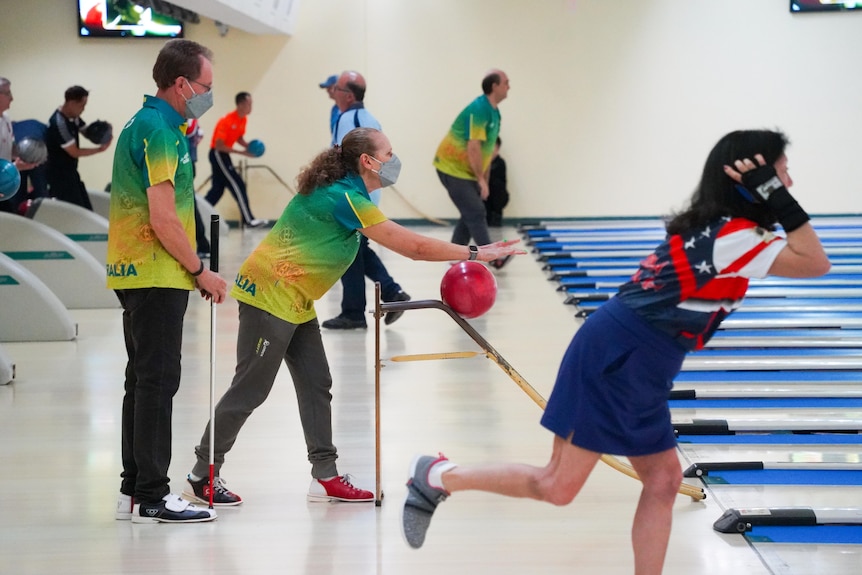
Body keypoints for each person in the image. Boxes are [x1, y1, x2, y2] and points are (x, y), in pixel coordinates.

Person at [401, 129, 831, 574]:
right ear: (756, 180)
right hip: (620, 358)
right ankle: (436, 475)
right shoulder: (734, 236)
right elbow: (817, 262)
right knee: (557, 485)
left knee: (662, 482)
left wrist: (771, 191)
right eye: (780, 176)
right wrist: (776, 197)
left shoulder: (726, 229)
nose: (788, 185)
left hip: (634, 359)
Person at [183, 127, 524, 507]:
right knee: (251, 389)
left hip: (295, 298)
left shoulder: (349, 191)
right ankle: (201, 475)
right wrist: (475, 253)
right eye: (389, 154)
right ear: (368, 161)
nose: (393, 161)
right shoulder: (344, 196)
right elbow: (413, 247)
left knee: (317, 384)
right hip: (269, 296)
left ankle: (325, 477)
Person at [107, 38, 228, 524]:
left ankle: (133, 491)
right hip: (157, 272)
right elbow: (163, 216)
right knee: (158, 382)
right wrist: (201, 270)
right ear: (182, 84)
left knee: (140, 381)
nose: (208, 96)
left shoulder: (140, 122)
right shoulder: (161, 131)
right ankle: (154, 496)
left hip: (132, 270)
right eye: (205, 87)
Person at [321, 70, 411, 330]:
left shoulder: (348, 118)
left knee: (348, 251)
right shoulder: (369, 117)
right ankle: (392, 294)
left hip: (354, 195)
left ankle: (354, 312)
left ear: (348, 95)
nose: (332, 93)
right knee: (358, 248)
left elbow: (342, 160)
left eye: (336, 89)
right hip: (368, 193)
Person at [434, 69, 511, 269]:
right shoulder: (479, 109)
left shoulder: (495, 113)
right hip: (451, 167)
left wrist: (483, 180)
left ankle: (453, 255)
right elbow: (474, 146)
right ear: (494, 86)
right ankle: (493, 256)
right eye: (505, 82)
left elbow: (486, 151)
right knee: (476, 210)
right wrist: (480, 178)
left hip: (466, 171)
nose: (508, 86)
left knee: (470, 212)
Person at [203, 91, 267, 227]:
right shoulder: (226, 120)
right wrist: (243, 153)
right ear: (241, 104)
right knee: (238, 184)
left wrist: (249, 147)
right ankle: (248, 220)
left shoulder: (243, 119)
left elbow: (238, 137)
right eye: (250, 104)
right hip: (218, 154)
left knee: (217, 189)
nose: (251, 106)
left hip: (223, 155)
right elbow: (220, 145)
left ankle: (198, 216)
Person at [45, 85, 112, 210]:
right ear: (71, 103)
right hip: (59, 176)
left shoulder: (73, 118)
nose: (83, 109)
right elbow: (74, 152)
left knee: (87, 209)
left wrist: (104, 131)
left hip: (71, 172)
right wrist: (100, 150)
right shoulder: (59, 123)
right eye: (82, 105)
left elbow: (87, 132)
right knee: (76, 211)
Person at [0, 78, 39, 215]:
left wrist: (27, 158)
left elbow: (10, 148)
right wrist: (15, 167)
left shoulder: (5, 118)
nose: (12, 98)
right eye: (8, 93)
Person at [187, 117, 211, 257]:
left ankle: (202, 244)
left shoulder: (186, 119)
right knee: (189, 205)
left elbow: (192, 131)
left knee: (189, 206)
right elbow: (199, 134)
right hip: (188, 163)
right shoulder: (190, 119)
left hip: (185, 164)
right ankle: (202, 244)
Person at [485, 136, 509, 227]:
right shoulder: (481, 163)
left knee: (496, 186)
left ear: (498, 148)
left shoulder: (500, 163)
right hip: (485, 197)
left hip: (496, 197)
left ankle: (496, 216)